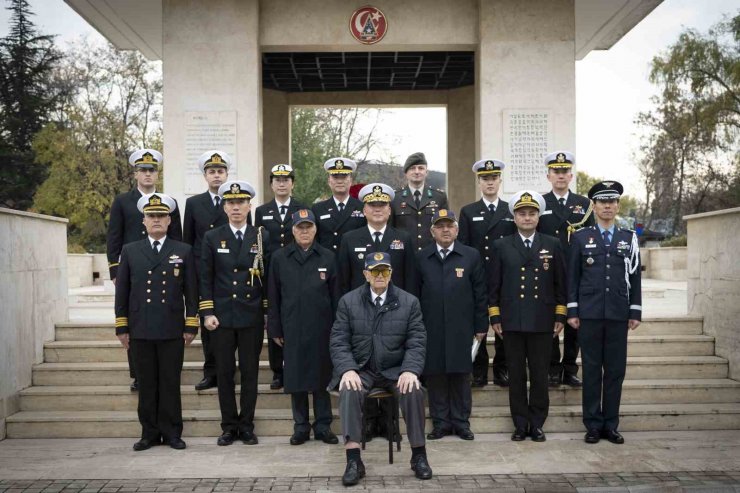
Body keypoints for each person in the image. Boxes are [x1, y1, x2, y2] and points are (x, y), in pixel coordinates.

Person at [330, 252, 432, 486]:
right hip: (361, 369)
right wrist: (347, 369)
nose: (379, 275)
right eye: (374, 271)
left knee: (413, 390)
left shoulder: (409, 302)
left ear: (391, 274)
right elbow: (338, 341)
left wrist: (410, 370)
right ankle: (353, 460)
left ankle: (419, 456)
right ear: (365, 274)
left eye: (384, 271)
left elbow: (417, 340)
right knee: (349, 389)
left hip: (396, 370)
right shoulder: (348, 301)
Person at [114, 193, 198, 451]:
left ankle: (172, 432)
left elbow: (192, 291)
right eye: (152, 216)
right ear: (144, 221)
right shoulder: (130, 251)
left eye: (161, 216)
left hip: (172, 328)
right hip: (140, 329)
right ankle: (149, 433)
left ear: (170, 221)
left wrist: (191, 323)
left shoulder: (183, 250)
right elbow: (123, 292)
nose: (157, 220)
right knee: (147, 383)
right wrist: (122, 326)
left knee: (170, 382)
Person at [488, 191, 567, 443]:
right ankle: (520, 424)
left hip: (543, 321)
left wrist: (560, 315)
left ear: (538, 216)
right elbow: (494, 286)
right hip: (511, 321)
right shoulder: (501, 245)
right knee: (517, 376)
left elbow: (560, 284)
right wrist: (495, 316)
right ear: (514, 217)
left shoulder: (552, 244)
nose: (527, 217)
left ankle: (537, 423)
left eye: (532, 213)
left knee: (540, 374)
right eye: (522, 213)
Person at [567, 180, 641, 445]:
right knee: (591, 369)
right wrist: (572, 310)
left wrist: (635, 310)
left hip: (618, 314)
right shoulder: (579, 238)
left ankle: (611, 424)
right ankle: (592, 424)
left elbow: (634, 277)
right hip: (589, 314)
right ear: (594, 206)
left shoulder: (628, 238)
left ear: (618, 206)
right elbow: (572, 278)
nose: (607, 206)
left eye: (612, 201)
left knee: (615, 371)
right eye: (602, 202)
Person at [199, 180, 270, 446]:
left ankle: (247, 425)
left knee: (250, 373)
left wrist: (266, 313)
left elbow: (267, 276)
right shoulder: (212, 237)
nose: (236, 207)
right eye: (231, 202)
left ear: (249, 206)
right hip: (222, 317)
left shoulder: (261, 235)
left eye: (241, 202)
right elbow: (205, 277)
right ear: (224, 207)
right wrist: (207, 312)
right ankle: (229, 426)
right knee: (225, 373)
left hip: (250, 315)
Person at [107, 149, 183, 392]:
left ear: (157, 174)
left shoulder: (168, 203)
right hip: (133, 269)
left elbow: (178, 237)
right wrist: (115, 270)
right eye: (143, 170)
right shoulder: (122, 201)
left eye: (152, 170)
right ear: (136, 173)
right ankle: (138, 374)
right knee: (134, 317)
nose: (148, 174)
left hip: (164, 266)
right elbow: (114, 237)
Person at [267, 209, 340, 446]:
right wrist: (275, 328)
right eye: (300, 227)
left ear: (316, 229)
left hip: (322, 328)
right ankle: (300, 427)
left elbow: (336, 297)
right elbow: (274, 296)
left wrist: (338, 329)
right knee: (296, 377)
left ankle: (323, 425)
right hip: (292, 327)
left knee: (321, 378)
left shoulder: (328, 257)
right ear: (293, 230)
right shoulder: (279, 258)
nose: (305, 231)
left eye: (309, 226)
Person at [416, 209, 488, 441]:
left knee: (460, 375)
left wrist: (480, 325)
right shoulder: (422, 257)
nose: (445, 230)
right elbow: (414, 294)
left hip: (462, 327)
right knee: (435, 375)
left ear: (457, 229)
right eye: (440, 226)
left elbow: (480, 294)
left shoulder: (471, 256)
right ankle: (440, 423)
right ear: (432, 231)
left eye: (450, 226)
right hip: (431, 326)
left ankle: (461, 422)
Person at [537, 151, 594, 387]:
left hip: (576, 270)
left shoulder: (584, 204)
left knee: (574, 322)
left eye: (564, 172)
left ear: (571, 175)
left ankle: (570, 368)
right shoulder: (540, 202)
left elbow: (591, 238)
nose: (560, 176)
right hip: (548, 269)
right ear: (548, 176)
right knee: (550, 319)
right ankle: (552, 368)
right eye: (556, 172)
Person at [458, 159, 517, 388]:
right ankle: (479, 369)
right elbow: (463, 245)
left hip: (504, 276)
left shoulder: (511, 209)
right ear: (479, 181)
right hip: (479, 275)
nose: (490, 182)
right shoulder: (468, 211)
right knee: (478, 322)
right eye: (485, 178)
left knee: (504, 322)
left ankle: (502, 368)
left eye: (494, 178)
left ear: (500, 180)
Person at [183, 150, 232, 392]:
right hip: (203, 270)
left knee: (230, 323)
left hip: (229, 272)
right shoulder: (193, 203)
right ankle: (210, 371)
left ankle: (230, 371)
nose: (216, 175)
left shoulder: (236, 201)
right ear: (205, 175)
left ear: (227, 174)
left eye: (220, 171)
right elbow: (188, 241)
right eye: (212, 171)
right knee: (208, 323)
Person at [256, 163, 305, 391]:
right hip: (271, 272)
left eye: (286, 179)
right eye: (277, 180)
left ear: (292, 183)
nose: (282, 183)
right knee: (274, 316)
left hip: (297, 269)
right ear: (271, 184)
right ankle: (278, 371)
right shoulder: (261, 211)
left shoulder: (302, 208)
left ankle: (296, 365)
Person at [338, 183, 416, 294]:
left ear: (389, 210)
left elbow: (410, 280)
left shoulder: (404, 238)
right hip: (359, 306)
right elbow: (343, 282)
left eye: (382, 205)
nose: (377, 209)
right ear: (364, 211)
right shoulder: (349, 239)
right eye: (372, 205)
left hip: (395, 305)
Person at [391, 152, 449, 251]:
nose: (417, 172)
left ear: (426, 172)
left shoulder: (439, 197)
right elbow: (390, 229)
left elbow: (445, 226)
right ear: (406, 173)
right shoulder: (395, 197)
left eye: (421, 168)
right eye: (412, 168)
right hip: (404, 254)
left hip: (432, 254)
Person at [312, 157, 367, 252]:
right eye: (335, 177)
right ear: (329, 181)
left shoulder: (363, 207)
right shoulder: (318, 209)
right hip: (327, 263)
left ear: (351, 180)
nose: (340, 181)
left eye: (344, 177)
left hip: (353, 262)